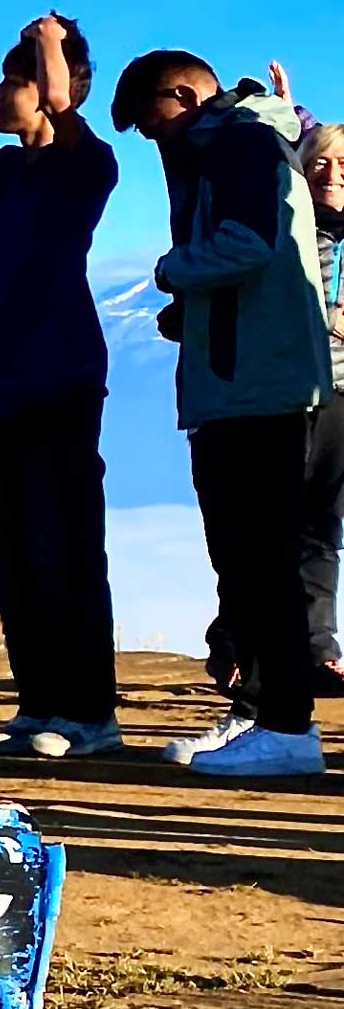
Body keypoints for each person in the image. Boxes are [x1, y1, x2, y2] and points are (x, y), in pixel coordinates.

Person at [117, 48, 329, 776]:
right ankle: (260, 714)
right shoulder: (234, 140)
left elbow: (248, 241)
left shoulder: (241, 138)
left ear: (183, 94)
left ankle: (288, 726)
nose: (155, 140)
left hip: (257, 383)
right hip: (241, 377)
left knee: (261, 554)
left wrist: (172, 271)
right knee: (242, 557)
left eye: (154, 122)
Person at [0, 15, 122, 757]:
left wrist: (53, 43)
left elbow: (65, 111)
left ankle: (90, 711)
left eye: (15, 81)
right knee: (11, 548)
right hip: (0, 382)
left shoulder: (86, 167)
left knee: (64, 543)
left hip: (62, 376)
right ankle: (39, 702)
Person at [296, 117, 344, 687]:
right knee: (273, 525)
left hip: (341, 399)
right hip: (288, 392)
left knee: (321, 525)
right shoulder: (292, 231)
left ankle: (317, 648)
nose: (331, 176)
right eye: (319, 164)